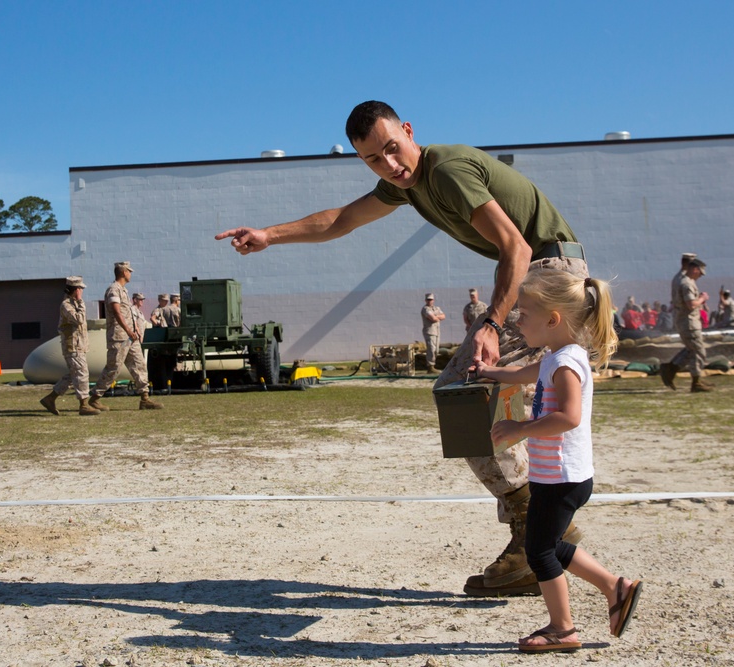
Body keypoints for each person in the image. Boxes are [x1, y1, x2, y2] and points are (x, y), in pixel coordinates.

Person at [216, 100, 588, 596]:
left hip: (549, 277)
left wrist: (493, 324)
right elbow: (342, 219)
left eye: (393, 148)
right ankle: (539, 522)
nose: (390, 165)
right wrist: (270, 235)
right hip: (547, 277)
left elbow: (516, 248)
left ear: (410, 131)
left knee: (462, 391)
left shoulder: (447, 170)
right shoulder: (404, 186)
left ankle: (534, 529)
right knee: (473, 394)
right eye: (374, 159)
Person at [474, 268, 641, 653]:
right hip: (556, 476)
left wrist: (520, 429)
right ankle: (615, 586)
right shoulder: (554, 357)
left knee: (539, 552)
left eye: (525, 313)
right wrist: (487, 371)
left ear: (553, 320)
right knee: (546, 542)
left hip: (564, 478)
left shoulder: (566, 364)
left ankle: (562, 629)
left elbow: (569, 417)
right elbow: (518, 373)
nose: (518, 320)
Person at [88, 262, 163, 411]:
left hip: (130, 337)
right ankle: (94, 398)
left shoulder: (123, 290)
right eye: (129, 271)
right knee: (113, 367)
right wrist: (129, 330)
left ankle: (145, 398)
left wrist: (134, 331)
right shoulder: (113, 290)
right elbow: (117, 312)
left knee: (139, 365)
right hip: (119, 337)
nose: (130, 273)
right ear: (123, 272)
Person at [39, 276, 100, 416]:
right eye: (80, 289)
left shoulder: (73, 304)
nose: (82, 292)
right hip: (72, 346)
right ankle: (84, 405)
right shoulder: (67, 305)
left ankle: (50, 398)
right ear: (76, 290)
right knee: (82, 373)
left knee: (74, 374)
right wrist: (80, 301)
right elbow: (79, 320)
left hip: (78, 346)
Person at [660, 257, 713, 392]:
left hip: (685, 321)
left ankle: (671, 369)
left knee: (691, 350)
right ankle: (695, 382)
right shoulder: (687, 283)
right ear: (695, 269)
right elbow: (691, 304)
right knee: (699, 351)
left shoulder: (681, 280)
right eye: (700, 272)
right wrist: (702, 298)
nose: (700, 275)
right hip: (689, 322)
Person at [420, 293, 445, 373]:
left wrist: (436, 316)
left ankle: (432, 365)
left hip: (437, 331)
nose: (429, 301)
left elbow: (443, 316)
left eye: (431, 299)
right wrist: (437, 317)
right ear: (425, 300)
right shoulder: (425, 309)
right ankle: (430, 366)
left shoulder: (436, 308)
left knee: (436, 350)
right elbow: (433, 318)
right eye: (428, 299)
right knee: (431, 349)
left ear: (433, 300)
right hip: (429, 331)